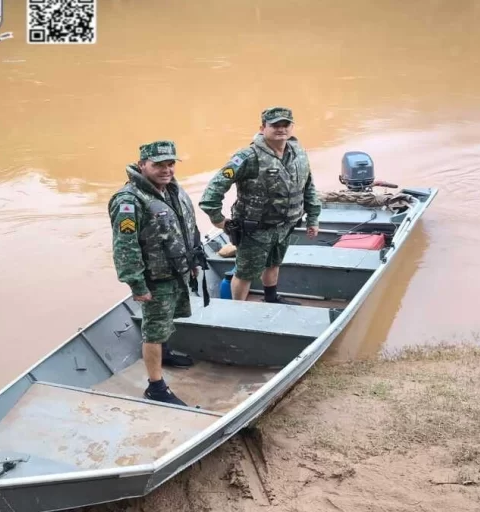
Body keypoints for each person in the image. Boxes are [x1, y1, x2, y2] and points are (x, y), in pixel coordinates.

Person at [108, 140, 201, 406]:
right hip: (155, 279)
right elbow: (125, 247)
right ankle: (155, 386)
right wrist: (136, 284)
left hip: (177, 272)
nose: (166, 169)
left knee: (167, 322)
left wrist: (194, 258)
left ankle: (166, 353)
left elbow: (188, 226)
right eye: (158, 164)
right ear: (142, 165)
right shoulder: (129, 201)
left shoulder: (171, 190)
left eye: (170, 163)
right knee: (154, 331)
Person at [198, 106, 321, 303]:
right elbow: (212, 192)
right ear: (263, 128)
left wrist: (313, 218)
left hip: (285, 227)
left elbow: (308, 186)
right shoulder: (248, 157)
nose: (281, 129)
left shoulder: (298, 152)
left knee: (273, 263)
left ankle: (271, 298)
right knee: (245, 273)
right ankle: (238, 310)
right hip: (255, 231)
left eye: (285, 125)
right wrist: (220, 221)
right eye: (275, 125)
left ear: (292, 127)